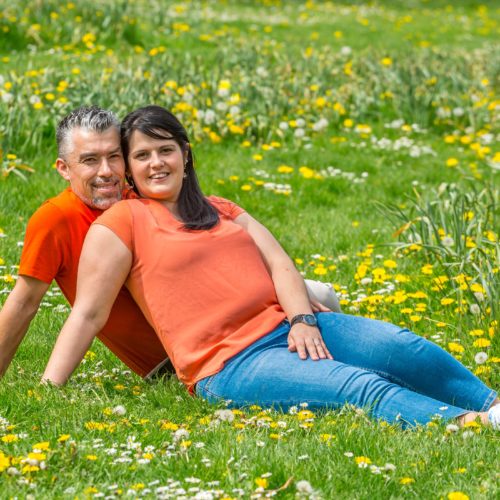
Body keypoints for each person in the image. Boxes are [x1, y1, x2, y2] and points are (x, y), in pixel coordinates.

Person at [42, 105, 499, 430]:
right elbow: (88, 313)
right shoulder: (122, 222)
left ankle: (492, 404)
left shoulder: (220, 207)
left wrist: (302, 319)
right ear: (130, 170)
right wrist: (49, 388)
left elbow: (280, 263)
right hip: (229, 363)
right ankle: (472, 424)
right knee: (357, 386)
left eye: (164, 150)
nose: (155, 163)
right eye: (140, 156)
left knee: (402, 348)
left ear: (186, 154)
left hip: (286, 327)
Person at [0, 105, 338, 380]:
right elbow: (25, 304)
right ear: (63, 168)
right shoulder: (56, 219)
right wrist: (48, 388)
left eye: (114, 157)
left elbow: (213, 253)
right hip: (179, 356)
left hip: (222, 323)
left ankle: (329, 360)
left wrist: (288, 290)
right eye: (89, 160)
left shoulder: (143, 197)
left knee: (317, 294)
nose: (106, 172)